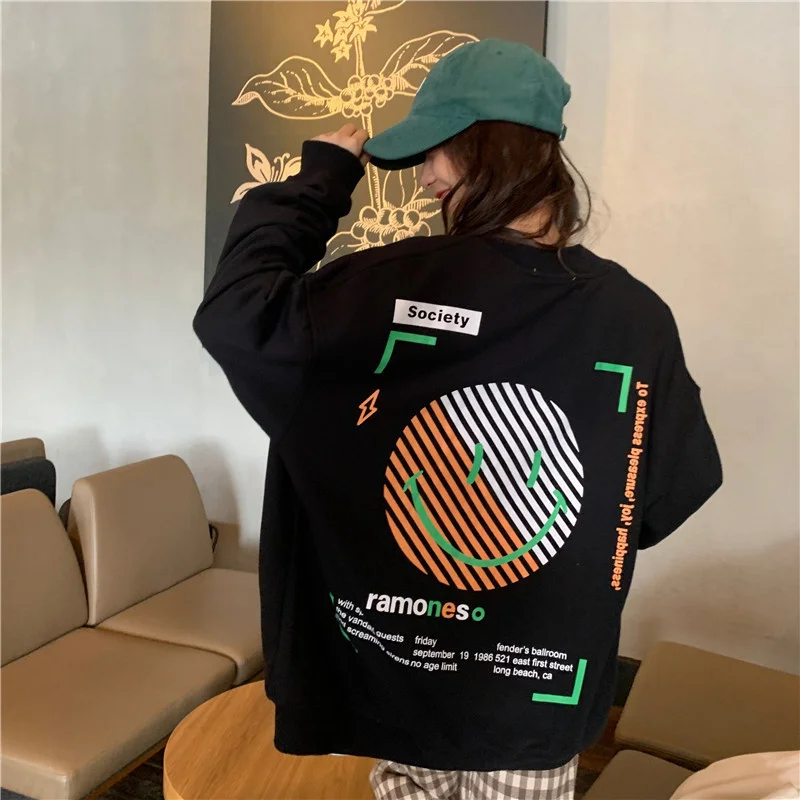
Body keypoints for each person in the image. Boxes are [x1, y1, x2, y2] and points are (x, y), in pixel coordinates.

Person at [194, 38, 722, 800]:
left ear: (485, 147)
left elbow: (234, 313)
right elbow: (659, 496)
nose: (427, 177)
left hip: (396, 681)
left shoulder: (379, 290)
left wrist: (322, 179)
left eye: (436, 151)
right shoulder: (635, 321)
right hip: (534, 702)